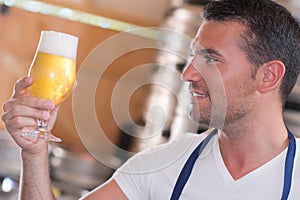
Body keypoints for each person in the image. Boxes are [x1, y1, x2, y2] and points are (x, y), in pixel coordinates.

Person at [2, 0, 300, 199]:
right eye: (193, 55)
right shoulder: (163, 164)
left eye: (211, 59)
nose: (188, 74)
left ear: (268, 76)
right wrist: (34, 153)